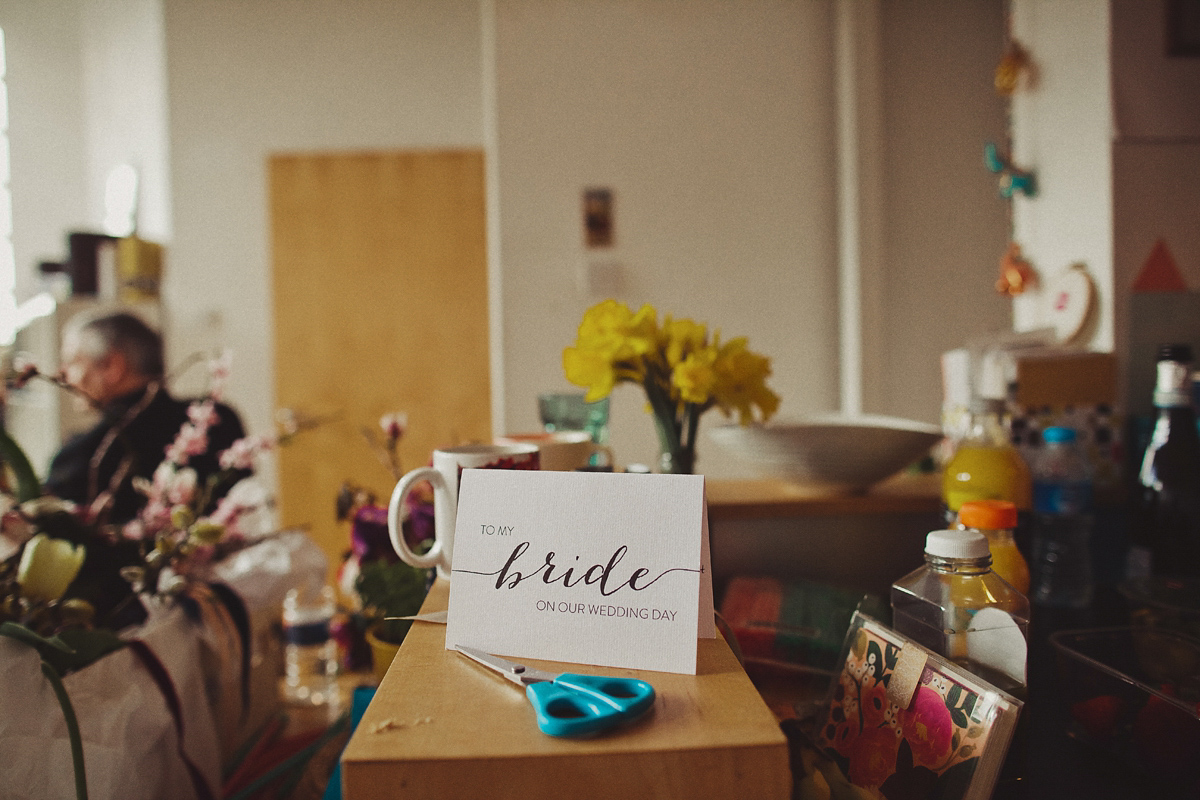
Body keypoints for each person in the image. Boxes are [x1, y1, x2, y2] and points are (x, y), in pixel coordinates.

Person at [43, 311, 247, 525]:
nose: (63, 375)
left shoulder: (80, 458)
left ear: (112, 366)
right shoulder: (222, 420)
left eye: (73, 362)